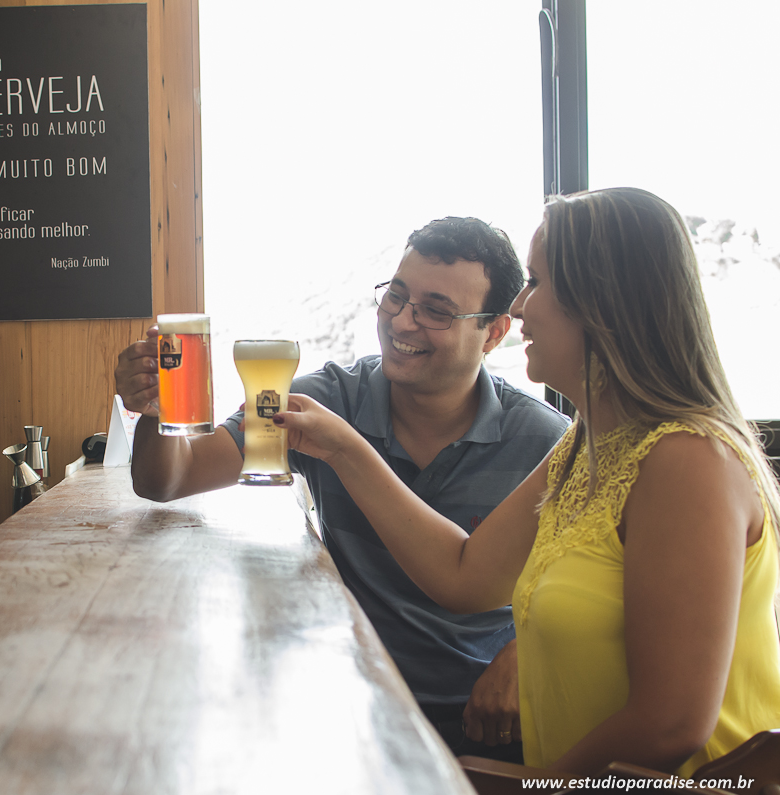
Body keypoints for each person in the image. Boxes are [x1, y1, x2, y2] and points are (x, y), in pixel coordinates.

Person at [272, 187, 780, 776]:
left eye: (536, 282)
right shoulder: (585, 442)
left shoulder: (688, 462)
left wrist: (529, 787)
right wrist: (343, 447)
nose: (520, 305)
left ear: (602, 305)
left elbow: (670, 725)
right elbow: (464, 577)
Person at [116, 216, 570, 761]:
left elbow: (584, 589)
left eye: (436, 311)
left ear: (495, 332)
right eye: (396, 297)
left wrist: (527, 651)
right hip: (351, 707)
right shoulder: (329, 402)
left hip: (486, 720)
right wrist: (153, 409)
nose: (403, 321)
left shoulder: (544, 441)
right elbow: (169, 479)